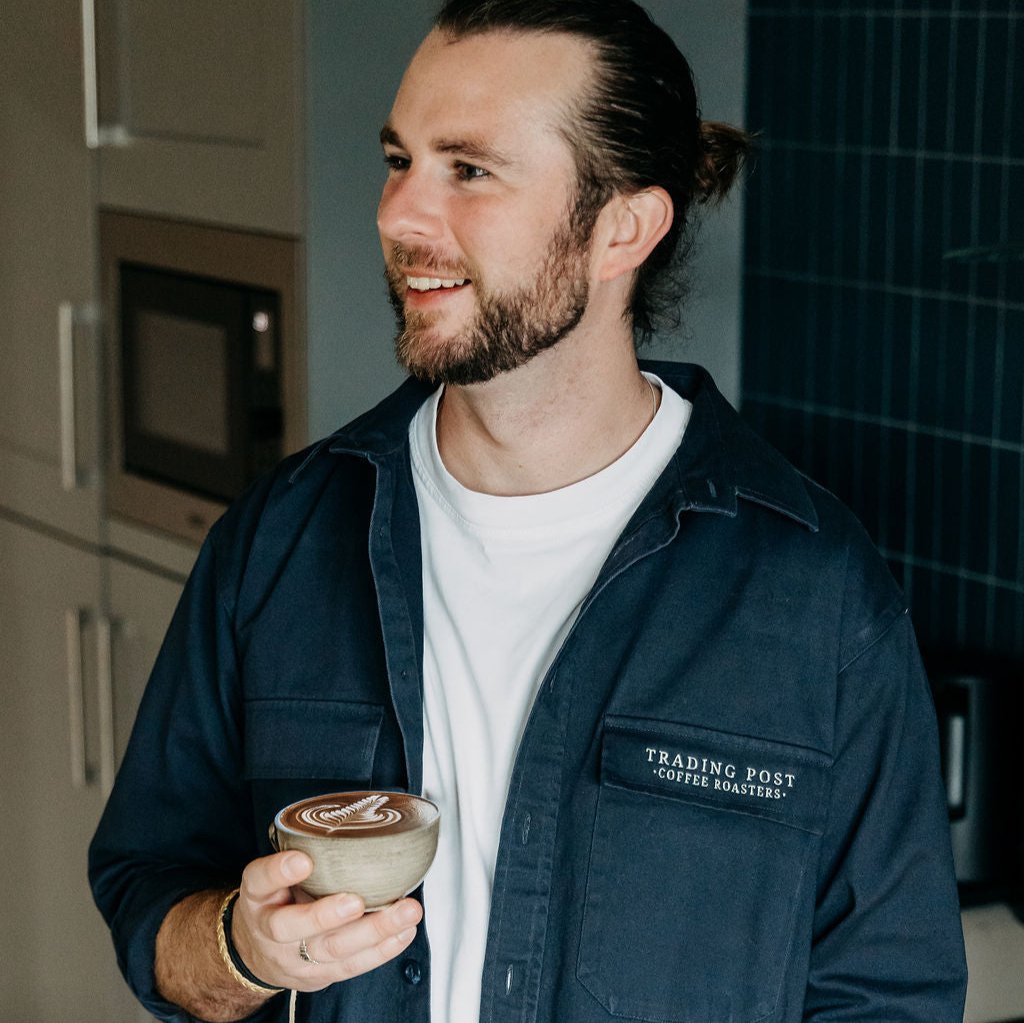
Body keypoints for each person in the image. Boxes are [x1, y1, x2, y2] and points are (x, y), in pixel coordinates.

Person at [89, 1, 968, 1021]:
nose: (398, 215)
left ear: (621, 229)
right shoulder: (280, 540)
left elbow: (887, 998)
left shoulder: (812, 597)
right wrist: (242, 948)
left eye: (468, 170)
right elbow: (147, 902)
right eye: (398, 158)